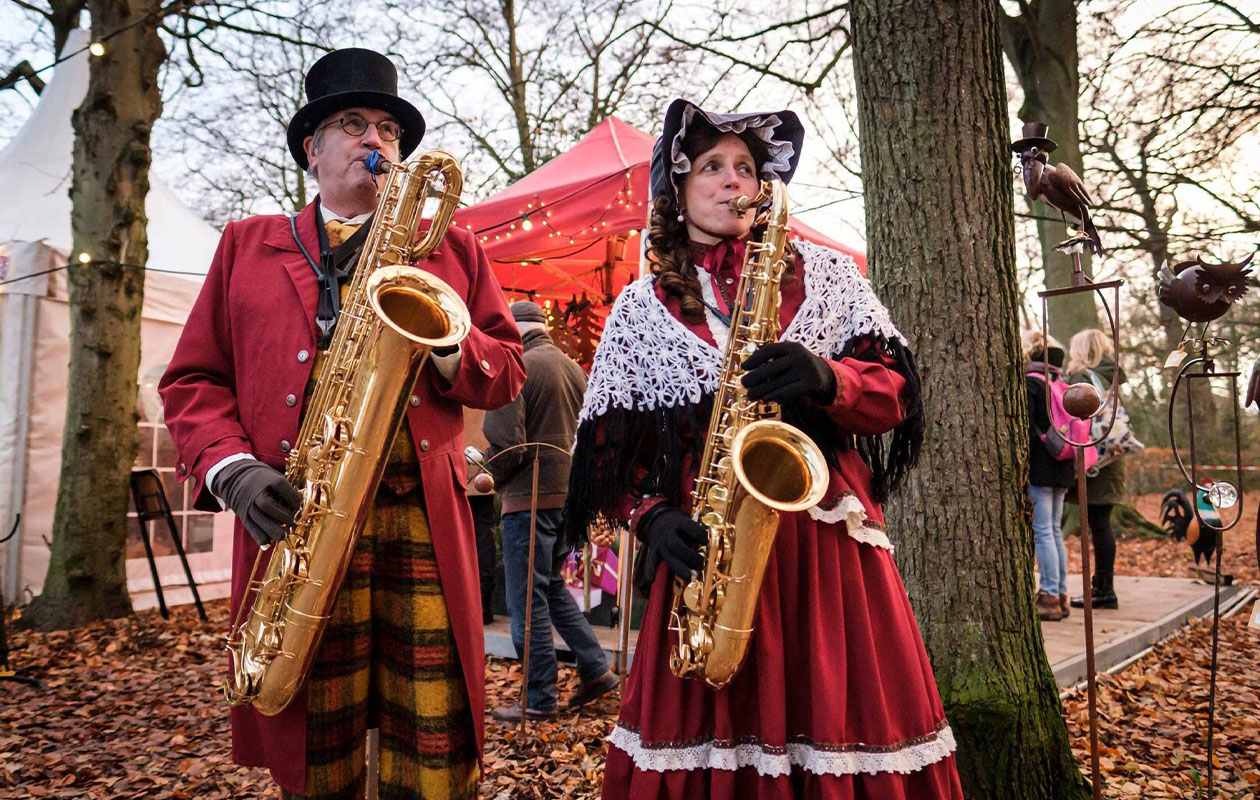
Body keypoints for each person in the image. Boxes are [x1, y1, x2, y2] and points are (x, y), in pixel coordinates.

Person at [563, 99, 963, 798]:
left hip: (826, 554)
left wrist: (829, 377)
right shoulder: (639, 308)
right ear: (677, 189)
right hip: (708, 558)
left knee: (841, 722)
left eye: (745, 168)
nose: (732, 182)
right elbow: (607, 457)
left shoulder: (831, 279)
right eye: (712, 166)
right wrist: (652, 516)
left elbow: (896, 391)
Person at [158, 48, 525, 799]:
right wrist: (233, 470)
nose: (376, 140)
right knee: (315, 744)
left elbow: (507, 371)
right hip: (300, 520)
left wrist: (449, 340)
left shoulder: (451, 249)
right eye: (352, 123)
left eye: (389, 128)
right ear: (312, 149)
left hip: (419, 516)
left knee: (433, 741)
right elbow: (193, 380)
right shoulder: (245, 244)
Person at [482, 301, 618, 721]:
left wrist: (486, 474)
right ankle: (596, 669)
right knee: (551, 589)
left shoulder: (515, 366)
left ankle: (538, 700)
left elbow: (508, 445)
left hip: (529, 500)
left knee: (527, 602)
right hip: (567, 500)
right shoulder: (572, 367)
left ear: (512, 328)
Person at [1066, 328, 1126, 609]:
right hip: (1111, 458)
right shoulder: (1109, 378)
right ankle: (1103, 586)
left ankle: (1103, 589)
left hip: (1095, 462)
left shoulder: (1083, 380)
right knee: (1102, 522)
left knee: (1099, 524)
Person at [1023, 330, 1074, 621]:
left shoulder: (1032, 384)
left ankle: (1051, 595)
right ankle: (1061, 592)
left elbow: (1027, 427)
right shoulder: (1061, 382)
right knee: (1053, 530)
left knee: (1043, 531)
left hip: (1042, 466)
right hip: (1064, 463)